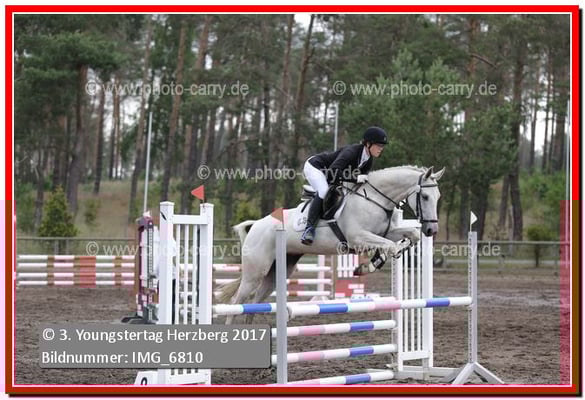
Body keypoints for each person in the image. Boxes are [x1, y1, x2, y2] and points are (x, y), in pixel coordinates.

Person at [300, 126, 388, 245]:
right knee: (323, 191)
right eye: (379, 145)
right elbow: (333, 171)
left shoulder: (368, 160)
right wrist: (355, 178)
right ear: (368, 144)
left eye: (382, 146)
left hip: (330, 174)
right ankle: (309, 229)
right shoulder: (351, 152)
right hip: (315, 167)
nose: (381, 149)